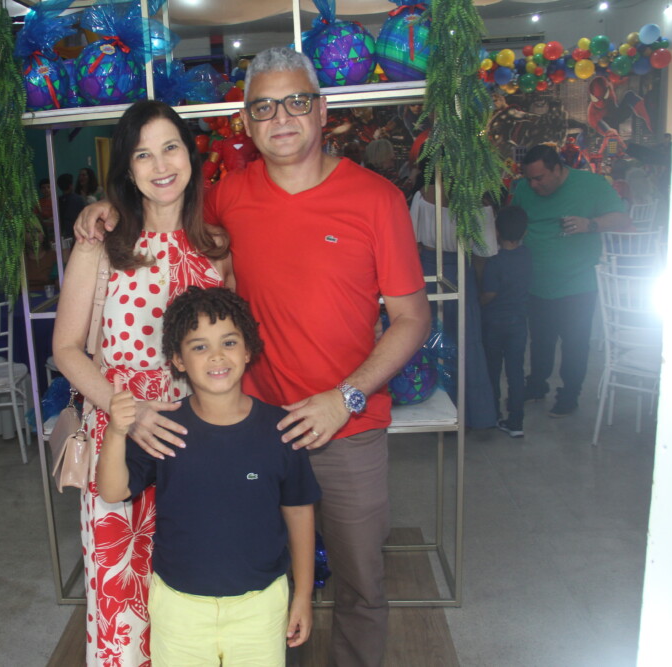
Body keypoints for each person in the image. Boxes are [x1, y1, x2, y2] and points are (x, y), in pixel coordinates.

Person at [75, 47, 431, 667]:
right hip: (246, 428)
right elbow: (163, 207)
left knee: (360, 583)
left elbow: (412, 318)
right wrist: (104, 209)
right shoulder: (226, 199)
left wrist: (344, 398)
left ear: (321, 109)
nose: (281, 117)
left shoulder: (377, 199)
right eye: (264, 107)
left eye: (296, 101)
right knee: (255, 581)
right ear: (246, 120)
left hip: (346, 427)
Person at [52, 99, 231, 666]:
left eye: (170, 148)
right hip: (120, 443)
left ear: (191, 156)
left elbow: (235, 351)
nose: (160, 165)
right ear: (127, 171)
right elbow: (65, 348)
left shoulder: (217, 248)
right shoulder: (102, 243)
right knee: (122, 608)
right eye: (142, 155)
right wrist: (128, 411)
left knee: (193, 607)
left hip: (195, 451)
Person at [97, 286, 319, 665]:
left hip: (261, 605)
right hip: (179, 608)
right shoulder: (164, 428)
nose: (217, 356)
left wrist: (303, 595)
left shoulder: (281, 430)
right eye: (199, 346)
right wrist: (116, 432)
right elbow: (113, 490)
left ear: (248, 350)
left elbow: (299, 512)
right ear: (178, 360)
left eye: (229, 342)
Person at [511, 144, 629, 417]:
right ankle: (537, 384)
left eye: (539, 178)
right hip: (537, 282)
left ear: (557, 169)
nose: (533, 184)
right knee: (540, 341)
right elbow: (514, 220)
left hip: (578, 283)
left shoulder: (591, 184)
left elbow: (622, 218)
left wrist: (591, 224)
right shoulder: (524, 189)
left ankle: (570, 393)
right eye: (529, 178)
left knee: (575, 342)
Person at [408, 178, 498, 430]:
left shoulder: (423, 195)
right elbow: (484, 253)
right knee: (465, 342)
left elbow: (411, 242)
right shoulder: (479, 202)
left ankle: (435, 412)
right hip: (461, 273)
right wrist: (477, 284)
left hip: (427, 273)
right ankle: (472, 415)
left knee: (431, 341)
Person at [480, 206, 532, 438]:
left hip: (493, 323)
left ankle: (493, 415)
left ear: (497, 232)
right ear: (525, 231)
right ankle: (516, 422)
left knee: (492, 370)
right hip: (518, 322)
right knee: (515, 372)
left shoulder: (495, 261)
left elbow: (489, 294)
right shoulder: (527, 255)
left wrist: (478, 303)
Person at [55, 173, 86, 241]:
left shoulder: (58, 200)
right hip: (76, 232)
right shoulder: (78, 199)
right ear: (71, 185)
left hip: (64, 232)